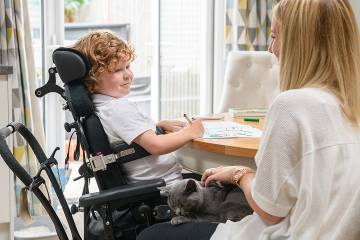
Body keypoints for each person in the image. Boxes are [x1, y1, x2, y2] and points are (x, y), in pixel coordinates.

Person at [137, 0, 360, 239]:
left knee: (150, 235)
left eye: (275, 36)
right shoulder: (350, 106)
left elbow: (270, 211)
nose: (271, 49)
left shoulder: (291, 106)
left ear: (299, 44)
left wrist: (240, 174)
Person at [71, 30, 204, 184]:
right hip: (169, 188)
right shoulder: (117, 108)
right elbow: (156, 146)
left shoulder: (100, 106)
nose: (128, 75)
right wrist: (191, 131)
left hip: (155, 185)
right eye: (118, 70)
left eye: (128, 66)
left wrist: (155, 127)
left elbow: (125, 136)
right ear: (92, 77)